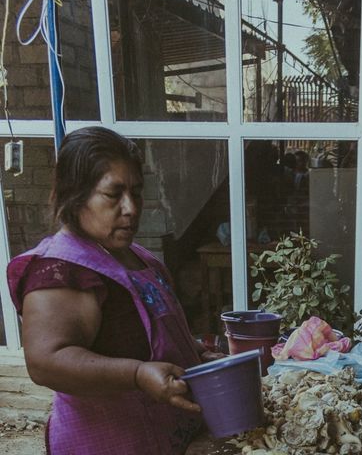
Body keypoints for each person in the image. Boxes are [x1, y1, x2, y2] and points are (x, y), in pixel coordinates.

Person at [7, 127, 223, 454]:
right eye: (113, 194)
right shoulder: (62, 271)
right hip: (106, 442)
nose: (131, 208)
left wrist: (196, 354)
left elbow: (146, 333)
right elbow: (46, 361)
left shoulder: (138, 257)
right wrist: (136, 374)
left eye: (136, 192)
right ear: (74, 194)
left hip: (164, 437)